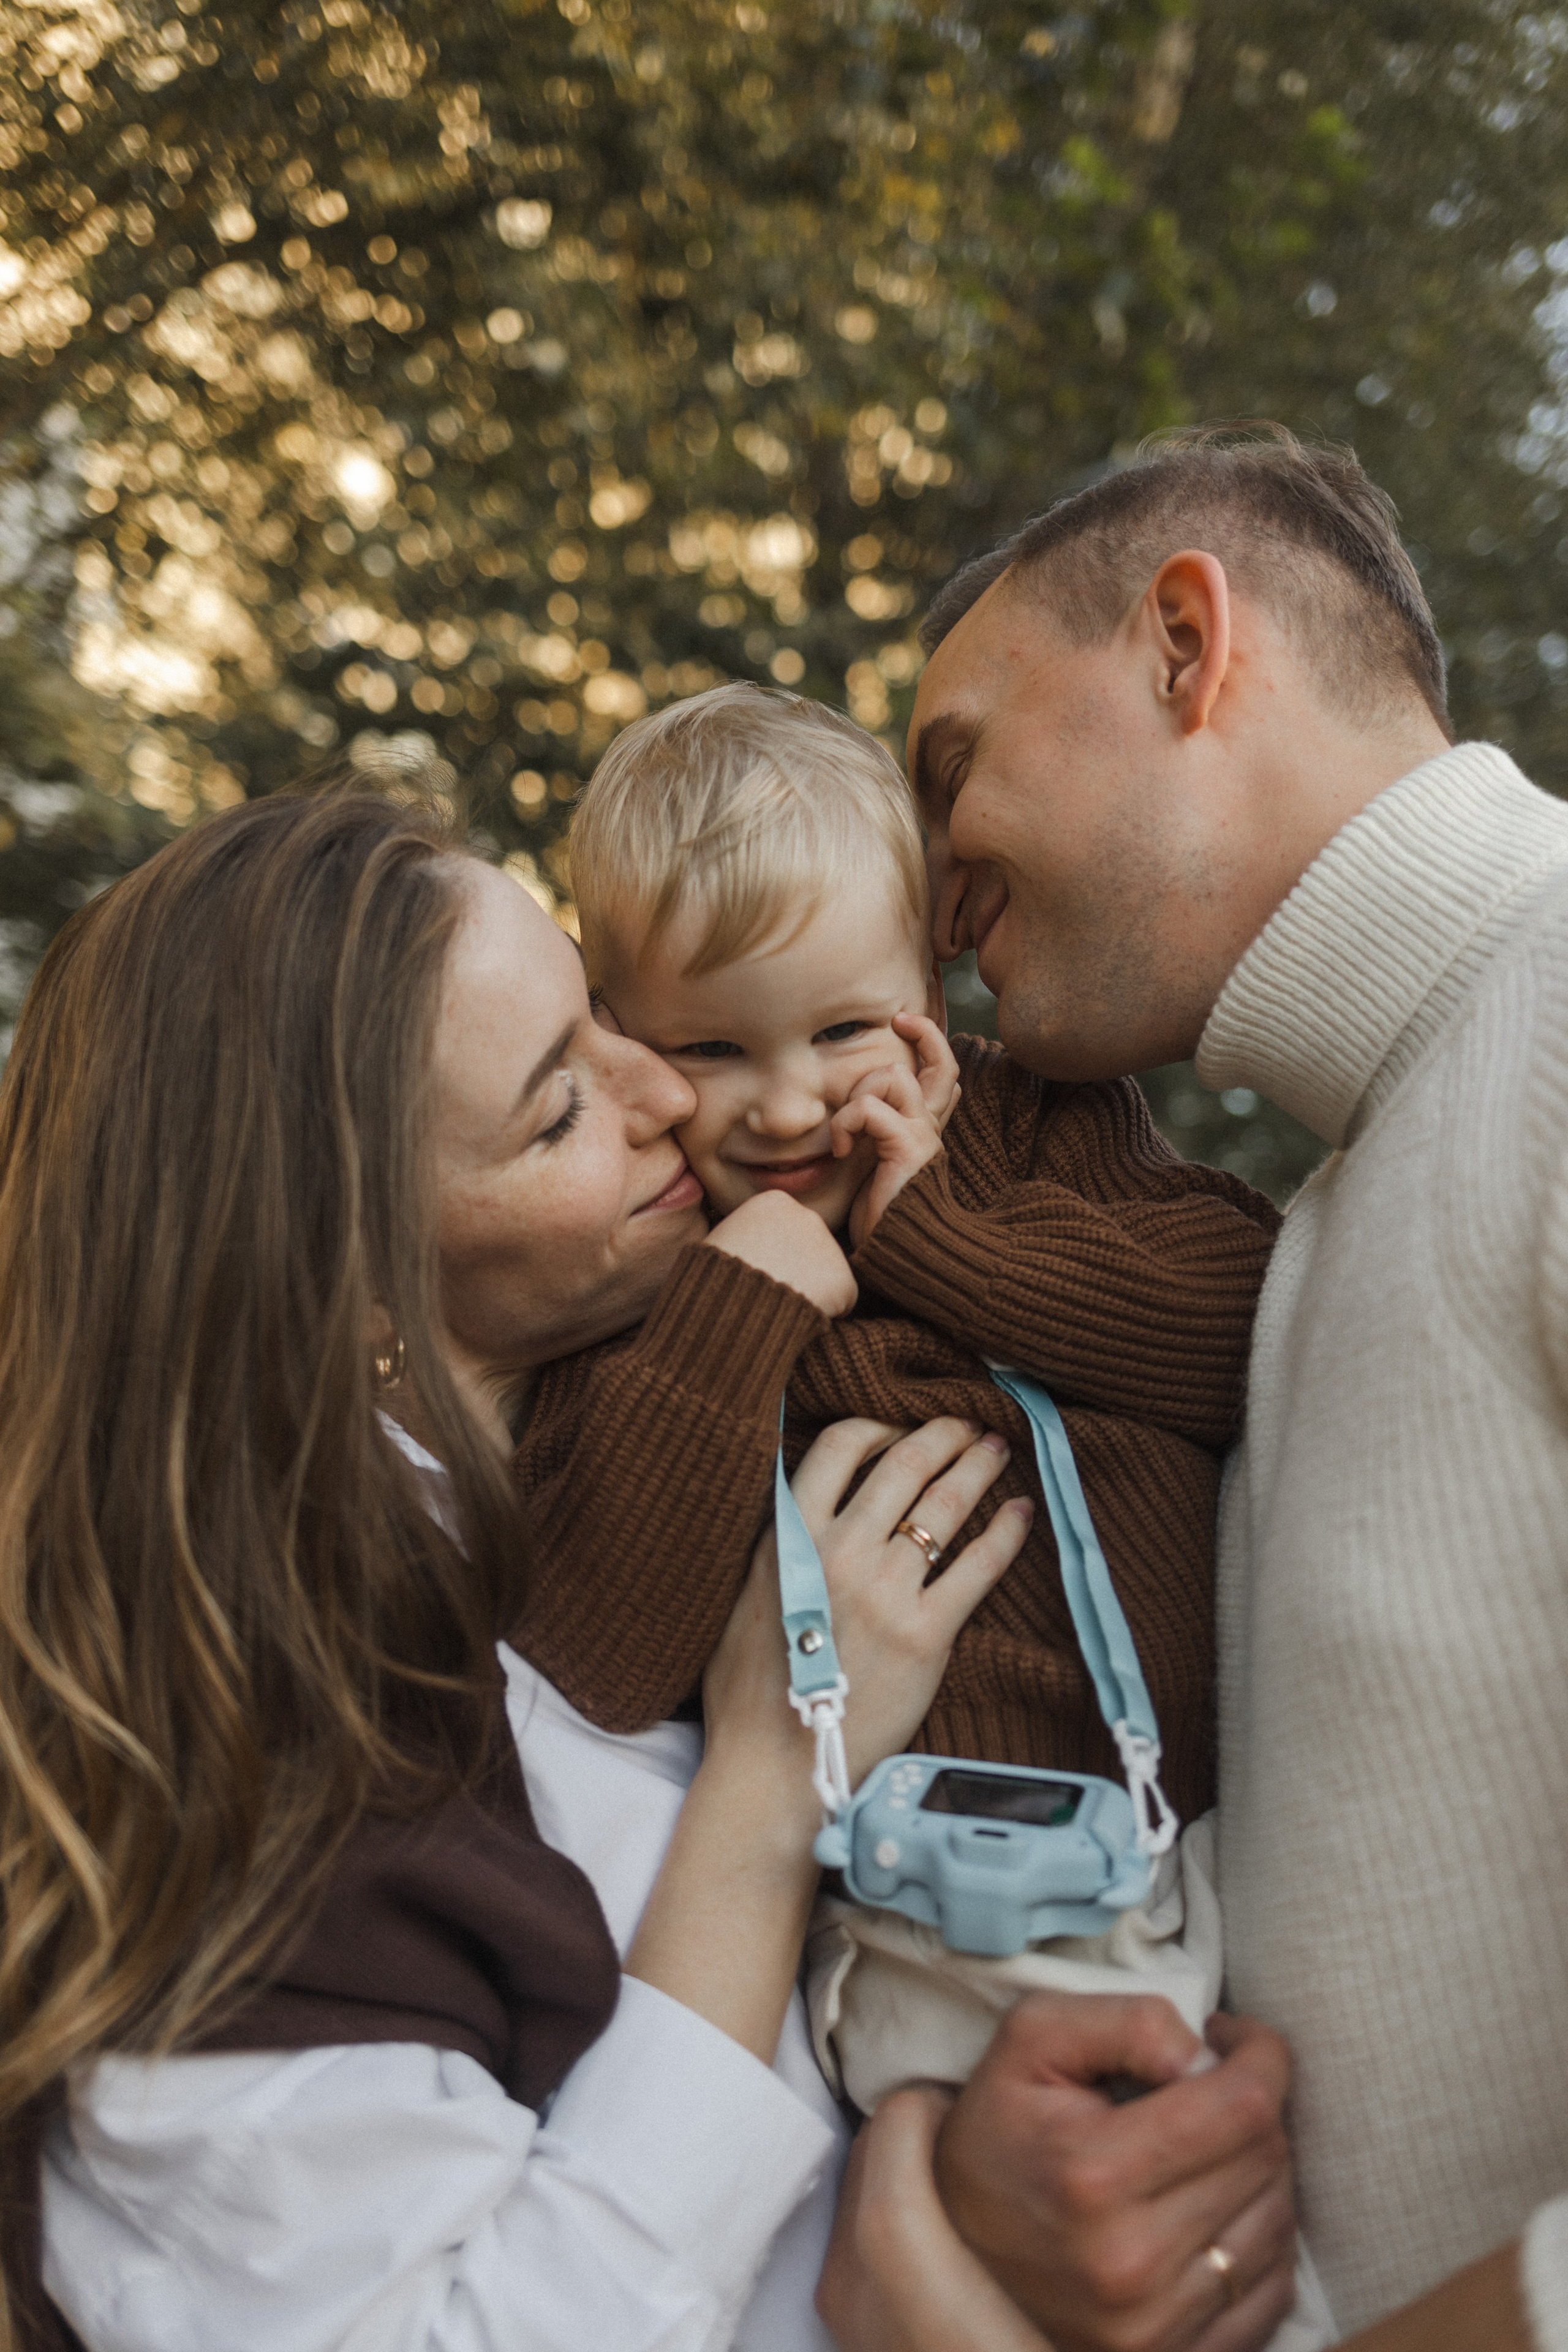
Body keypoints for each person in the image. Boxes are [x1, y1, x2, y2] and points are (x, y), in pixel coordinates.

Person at [0, 786, 1036, 2352]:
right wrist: (771, 1781)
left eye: (599, 1015)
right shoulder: (228, 1751)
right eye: (555, 1111)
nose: (664, 1097)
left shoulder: (623, 1440)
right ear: (344, 1297)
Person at [820, 421, 1568, 2352]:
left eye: (951, 764)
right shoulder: (1311, 1229)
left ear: (1181, 644)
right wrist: (986, 2155)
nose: (925, 878)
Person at [508, 681, 1291, 2144]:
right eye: (713, 1051)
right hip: (900, 1903)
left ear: (930, 985)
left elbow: (1238, 1318)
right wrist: (740, 1307)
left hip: (1187, 1841)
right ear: (619, 1034)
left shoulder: (1031, 1132)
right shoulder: (653, 1279)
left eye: (841, 1028)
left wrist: (932, 1229)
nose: (790, 1106)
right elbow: (595, 1649)